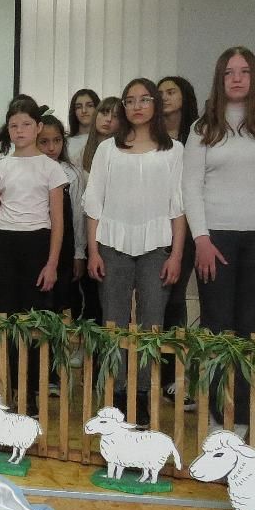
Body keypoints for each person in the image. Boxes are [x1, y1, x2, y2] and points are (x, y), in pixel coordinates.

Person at [183, 47, 255, 435]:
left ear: (254, 77)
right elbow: (191, 188)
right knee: (217, 330)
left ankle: (243, 426)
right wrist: (200, 238)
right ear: (220, 78)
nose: (237, 78)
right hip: (215, 240)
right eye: (230, 72)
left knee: (252, 331)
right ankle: (218, 423)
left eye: (244, 71)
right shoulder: (202, 128)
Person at [83, 79, 184, 423]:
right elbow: (93, 203)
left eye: (144, 99)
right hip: (112, 244)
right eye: (130, 101)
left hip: (158, 245)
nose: (137, 106)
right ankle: (115, 392)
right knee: (114, 321)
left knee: (152, 322)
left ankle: (143, 394)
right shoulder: (108, 149)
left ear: (155, 104)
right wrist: (93, 251)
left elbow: (178, 208)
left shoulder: (175, 150)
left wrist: (176, 255)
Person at [0, 99, 66, 414]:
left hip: (37, 246)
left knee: (33, 324)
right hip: (4, 245)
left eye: (26, 124)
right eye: (14, 126)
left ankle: (30, 393)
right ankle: (6, 390)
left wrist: (52, 263)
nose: (20, 131)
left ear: (38, 127)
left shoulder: (51, 168)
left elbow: (58, 221)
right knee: (5, 321)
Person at [157, 75, 200, 406]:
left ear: (184, 97)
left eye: (170, 92)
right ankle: (149, 377)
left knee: (174, 301)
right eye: (160, 94)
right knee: (153, 303)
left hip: (190, 226)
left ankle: (175, 378)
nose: (164, 98)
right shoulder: (150, 136)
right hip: (154, 226)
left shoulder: (198, 135)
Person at [76, 95, 120, 323]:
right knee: (91, 297)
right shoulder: (81, 153)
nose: (108, 119)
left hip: (113, 233)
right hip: (86, 232)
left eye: (115, 115)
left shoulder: (124, 151)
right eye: (104, 113)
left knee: (112, 300)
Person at [38, 115, 86, 321]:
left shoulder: (71, 173)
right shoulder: (28, 170)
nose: (51, 147)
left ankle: (61, 351)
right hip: (36, 243)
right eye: (44, 141)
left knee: (63, 299)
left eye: (57, 140)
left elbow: (77, 216)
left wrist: (79, 253)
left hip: (65, 247)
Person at [66, 88, 100, 168]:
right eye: (78, 107)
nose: (84, 110)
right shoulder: (65, 143)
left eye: (89, 106)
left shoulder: (105, 141)